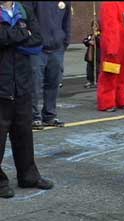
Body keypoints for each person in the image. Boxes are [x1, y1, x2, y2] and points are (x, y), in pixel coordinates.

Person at [0, 1, 54, 198]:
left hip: (22, 84)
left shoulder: (24, 10)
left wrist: (10, 40)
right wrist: (23, 35)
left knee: (23, 134)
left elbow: (38, 41)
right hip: (2, 87)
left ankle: (28, 176)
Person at [23, 1, 72, 130]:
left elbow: (67, 20)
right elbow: (26, 18)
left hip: (57, 48)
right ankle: (34, 117)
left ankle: (49, 115)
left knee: (53, 83)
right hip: (37, 48)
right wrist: (32, 41)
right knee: (34, 84)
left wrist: (66, 40)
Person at [97, 1, 124, 112]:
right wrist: (111, 46)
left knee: (123, 76)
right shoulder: (109, 4)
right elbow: (110, 26)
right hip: (115, 48)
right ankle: (107, 101)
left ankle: (120, 98)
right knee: (109, 76)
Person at [83, 20, 101, 89]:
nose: (94, 27)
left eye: (95, 26)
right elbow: (85, 41)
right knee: (89, 69)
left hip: (97, 55)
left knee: (97, 69)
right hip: (90, 55)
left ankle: (97, 81)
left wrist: (96, 38)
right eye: (93, 26)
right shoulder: (90, 35)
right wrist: (89, 42)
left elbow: (101, 43)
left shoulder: (100, 34)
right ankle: (90, 80)